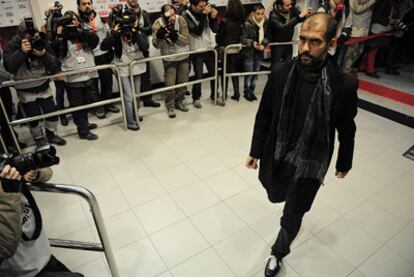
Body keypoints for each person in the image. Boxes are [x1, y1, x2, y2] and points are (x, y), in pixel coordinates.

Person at [245, 13, 358, 276]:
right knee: (275, 194)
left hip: (311, 161)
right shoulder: (282, 71)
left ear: (332, 43)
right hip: (279, 151)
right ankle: (284, 202)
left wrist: (344, 162)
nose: (305, 48)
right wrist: (255, 150)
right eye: (303, 40)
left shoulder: (344, 84)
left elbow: (347, 128)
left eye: (315, 41)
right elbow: (265, 115)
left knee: (293, 212)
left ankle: (278, 252)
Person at [0, 165, 84, 276]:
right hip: (21, 272)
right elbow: (4, 248)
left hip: (42, 254)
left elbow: (47, 170)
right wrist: (6, 196)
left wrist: (36, 173)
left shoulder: (5, 167)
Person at [3, 21, 66, 148]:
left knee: (51, 113)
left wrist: (43, 55)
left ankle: (52, 134)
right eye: (29, 35)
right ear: (21, 36)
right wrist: (21, 52)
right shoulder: (12, 45)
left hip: (43, 85)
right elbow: (9, 67)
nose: (33, 38)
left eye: (34, 34)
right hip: (25, 89)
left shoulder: (41, 41)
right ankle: (39, 138)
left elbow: (55, 67)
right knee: (33, 118)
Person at [53, 11, 100, 141]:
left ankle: (85, 124)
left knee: (86, 103)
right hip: (73, 77)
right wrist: (59, 36)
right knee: (78, 105)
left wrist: (80, 31)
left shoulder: (83, 33)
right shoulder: (61, 37)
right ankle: (83, 131)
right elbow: (59, 53)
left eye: (74, 19)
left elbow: (95, 41)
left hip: (88, 74)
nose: (72, 23)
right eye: (69, 21)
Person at [101, 10, 149, 131]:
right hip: (122, 67)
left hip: (136, 66)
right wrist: (113, 33)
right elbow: (103, 47)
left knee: (136, 94)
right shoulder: (116, 34)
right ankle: (131, 120)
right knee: (128, 96)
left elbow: (145, 46)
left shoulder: (139, 31)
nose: (127, 26)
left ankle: (134, 114)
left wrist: (136, 32)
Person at [77, 0, 120, 119]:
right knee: (93, 85)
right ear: (79, 6)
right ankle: (98, 107)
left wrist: (109, 40)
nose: (87, 6)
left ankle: (108, 103)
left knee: (107, 82)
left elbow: (107, 32)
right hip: (90, 56)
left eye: (88, 3)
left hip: (105, 54)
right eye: (83, 4)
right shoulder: (78, 22)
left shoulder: (98, 17)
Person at [152, 4, 190, 119]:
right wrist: (159, 37)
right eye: (169, 14)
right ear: (163, 15)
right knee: (170, 83)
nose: (172, 17)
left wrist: (176, 36)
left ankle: (180, 102)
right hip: (169, 58)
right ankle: (170, 105)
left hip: (183, 56)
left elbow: (186, 39)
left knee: (183, 82)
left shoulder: (181, 20)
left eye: (173, 13)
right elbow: (156, 45)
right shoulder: (157, 24)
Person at [183, 0, 222, 108]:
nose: (203, 8)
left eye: (205, 6)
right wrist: (204, 15)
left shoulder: (205, 13)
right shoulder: (186, 15)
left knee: (214, 73)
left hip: (209, 48)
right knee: (198, 76)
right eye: (201, 6)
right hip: (196, 50)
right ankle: (196, 98)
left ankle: (215, 95)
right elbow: (197, 31)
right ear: (193, 6)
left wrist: (213, 17)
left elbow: (214, 30)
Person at [127, 0, 161, 108]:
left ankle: (147, 99)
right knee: (131, 77)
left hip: (143, 48)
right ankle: (133, 102)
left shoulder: (144, 13)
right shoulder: (124, 14)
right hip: (129, 50)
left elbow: (149, 29)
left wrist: (137, 29)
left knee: (146, 75)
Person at [216, 0, 245, 101]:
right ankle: (237, 93)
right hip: (236, 49)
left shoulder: (224, 21)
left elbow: (219, 37)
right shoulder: (241, 21)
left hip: (225, 49)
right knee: (234, 71)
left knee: (225, 71)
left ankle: (224, 94)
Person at [240, 4, 269, 102]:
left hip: (259, 52)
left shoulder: (265, 23)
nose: (260, 16)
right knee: (249, 74)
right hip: (249, 52)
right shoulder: (247, 23)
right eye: (258, 14)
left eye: (262, 14)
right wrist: (252, 43)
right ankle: (247, 92)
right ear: (253, 14)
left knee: (256, 73)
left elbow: (268, 36)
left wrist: (264, 44)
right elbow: (243, 38)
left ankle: (252, 91)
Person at [358, 0, 394, 79]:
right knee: (373, 50)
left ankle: (362, 66)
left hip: (378, 29)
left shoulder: (386, 3)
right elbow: (375, 17)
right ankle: (370, 70)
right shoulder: (383, 3)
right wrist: (388, 21)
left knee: (370, 49)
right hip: (377, 30)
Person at [342, 0, 376, 74]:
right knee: (351, 52)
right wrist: (372, 2)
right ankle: (345, 70)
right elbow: (357, 9)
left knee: (359, 51)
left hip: (364, 28)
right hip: (356, 27)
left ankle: (349, 67)